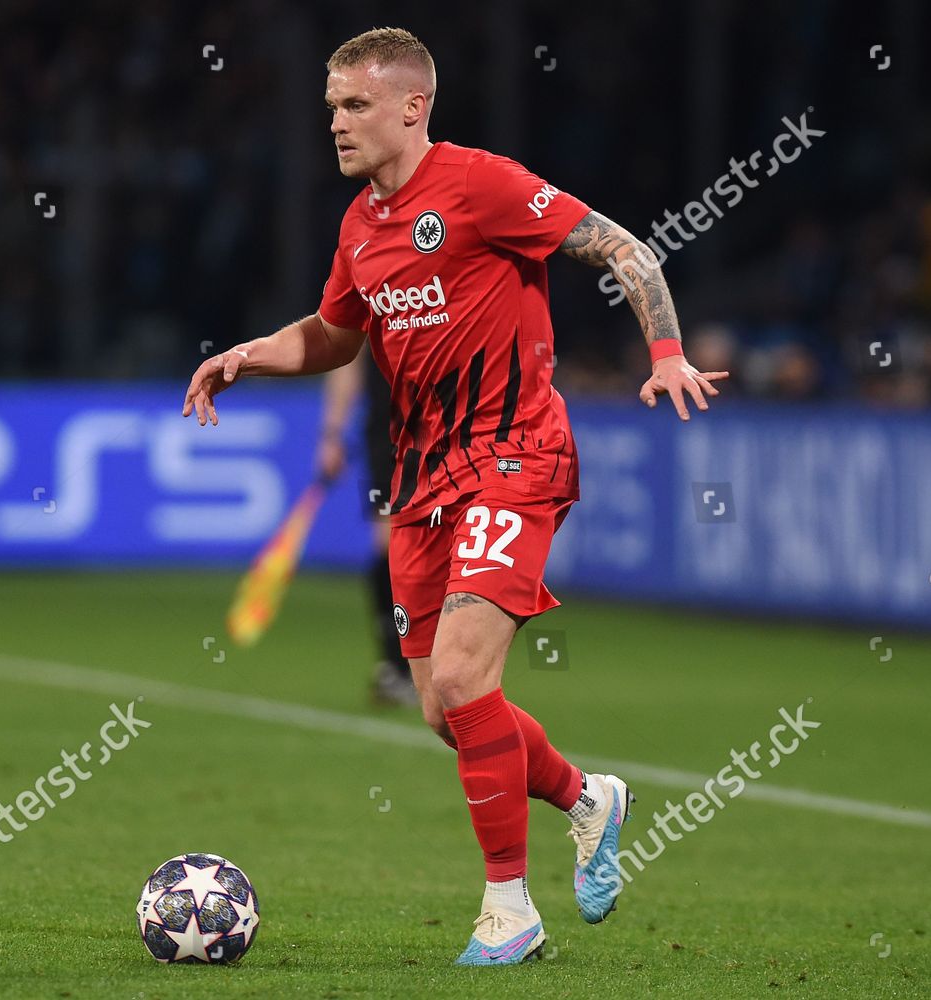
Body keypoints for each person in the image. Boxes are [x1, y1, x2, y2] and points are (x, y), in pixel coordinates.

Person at [182, 27, 728, 965]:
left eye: (355, 106)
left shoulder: (482, 185)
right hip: (422, 483)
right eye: (331, 109)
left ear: (412, 106)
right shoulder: (361, 226)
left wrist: (667, 353)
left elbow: (625, 249)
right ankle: (588, 798)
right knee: (444, 709)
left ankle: (509, 909)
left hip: (516, 457)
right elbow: (335, 333)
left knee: (471, 681)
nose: (339, 125)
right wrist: (248, 356)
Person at [315, 343, 418, 705]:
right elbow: (346, 353)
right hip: (389, 433)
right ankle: (397, 664)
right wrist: (333, 432)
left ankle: (448, 665)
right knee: (390, 547)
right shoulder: (367, 287)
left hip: (457, 429)